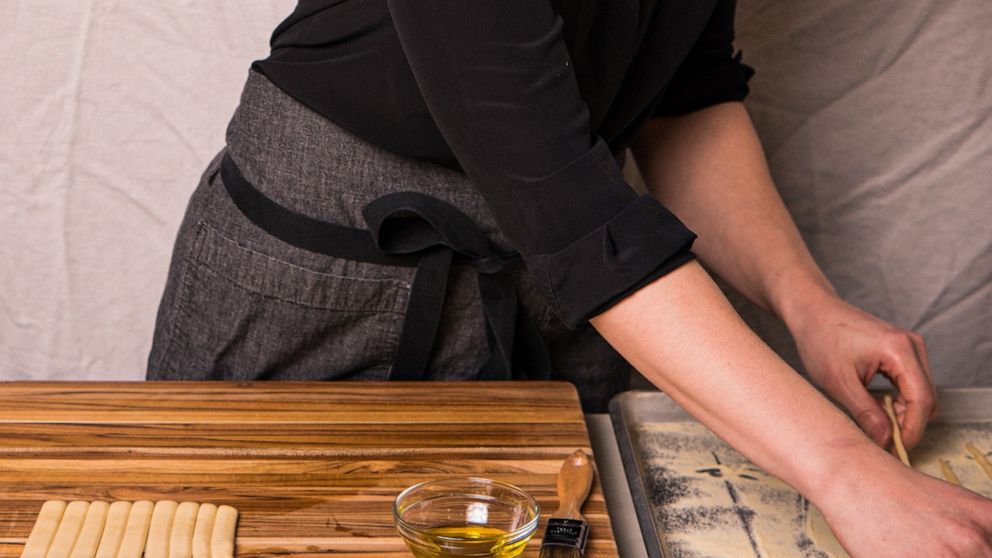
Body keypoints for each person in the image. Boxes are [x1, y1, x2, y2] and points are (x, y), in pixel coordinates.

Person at [147, 0, 992, 555]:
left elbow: (682, 97)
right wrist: (846, 469)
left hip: (569, 285)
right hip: (328, 275)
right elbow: (562, 198)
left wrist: (807, 303)